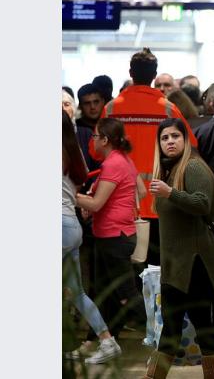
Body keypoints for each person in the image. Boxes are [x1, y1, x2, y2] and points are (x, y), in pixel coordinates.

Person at [92, 48, 197, 266]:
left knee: (125, 272)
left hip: (119, 205)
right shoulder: (168, 109)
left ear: (131, 72)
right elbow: (191, 148)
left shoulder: (111, 109)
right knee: (156, 269)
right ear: (154, 74)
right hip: (160, 201)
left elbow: (95, 150)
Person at [143, 118, 214, 379]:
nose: (170, 141)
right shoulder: (169, 170)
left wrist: (171, 193)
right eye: (164, 138)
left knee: (201, 329)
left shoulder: (193, 167)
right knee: (172, 328)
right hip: (178, 265)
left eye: (175, 137)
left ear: (186, 139)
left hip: (196, 264)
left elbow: (203, 204)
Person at [75, 118, 145, 351]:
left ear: (105, 140)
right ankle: (106, 342)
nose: (92, 141)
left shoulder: (113, 164)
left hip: (114, 236)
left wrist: (69, 196)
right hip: (115, 234)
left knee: (126, 295)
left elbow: (96, 204)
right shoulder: (123, 160)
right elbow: (141, 191)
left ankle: (167, 335)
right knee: (109, 294)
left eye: (95, 136)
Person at [62, 111, 123, 364]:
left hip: (58, 226)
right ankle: (107, 340)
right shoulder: (73, 153)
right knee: (77, 292)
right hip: (71, 225)